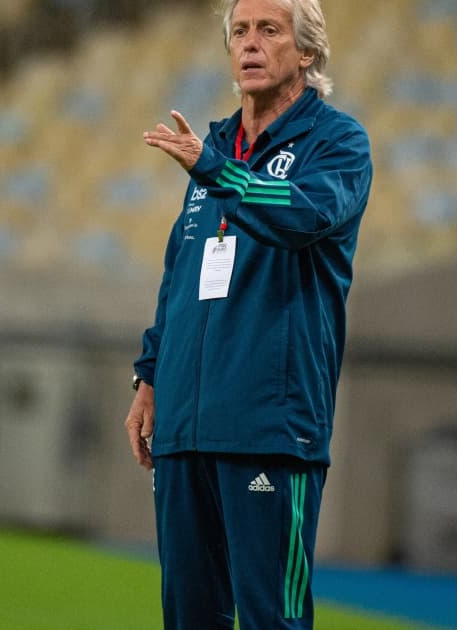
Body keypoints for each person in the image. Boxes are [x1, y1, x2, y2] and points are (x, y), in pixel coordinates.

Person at [124, 0, 372, 627]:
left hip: (269, 425)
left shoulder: (338, 143)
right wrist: (150, 376)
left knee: (272, 619)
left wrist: (215, 169)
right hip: (186, 424)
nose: (250, 44)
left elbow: (301, 216)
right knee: (189, 616)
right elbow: (180, 270)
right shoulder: (213, 148)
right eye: (240, 31)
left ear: (307, 52)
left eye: (269, 30)